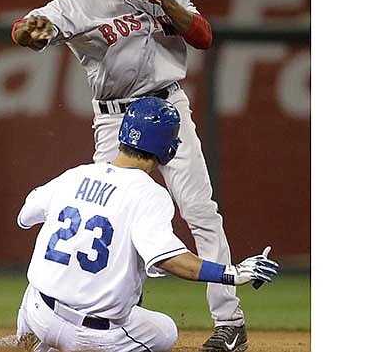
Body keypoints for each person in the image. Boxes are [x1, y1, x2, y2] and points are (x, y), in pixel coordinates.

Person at [11, 0, 247, 350]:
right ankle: (81, 315)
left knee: (200, 210)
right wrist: (30, 30)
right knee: (105, 217)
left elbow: (203, 35)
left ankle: (230, 322)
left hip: (166, 107)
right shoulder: (77, 4)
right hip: (114, 119)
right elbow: (30, 26)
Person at [15, 97, 279, 352]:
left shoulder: (75, 174)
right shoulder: (149, 193)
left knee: (38, 287)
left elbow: (25, 217)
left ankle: (30, 340)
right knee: (165, 331)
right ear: (170, 149)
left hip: (39, 315)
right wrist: (231, 272)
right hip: (90, 337)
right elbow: (168, 259)